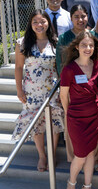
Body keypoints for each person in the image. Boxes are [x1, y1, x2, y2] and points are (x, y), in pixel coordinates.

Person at [12, 9, 64, 172]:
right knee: (35, 123)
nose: (39, 25)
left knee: (53, 121)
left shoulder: (56, 41)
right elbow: (19, 67)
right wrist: (19, 90)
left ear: (48, 23)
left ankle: (52, 153)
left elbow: (60, 67)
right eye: (35, 21)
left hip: (52, 89)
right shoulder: (22, 42)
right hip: (32, 90)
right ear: (30, 24)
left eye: (42, 21)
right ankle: (42, 155)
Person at [55, 5, 98, 171]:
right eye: (76, 16)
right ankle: (75, 157)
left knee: (93, 131)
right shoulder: (64, 37)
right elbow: (60, 63)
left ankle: (94, 159)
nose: (80, 19)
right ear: (71, 18)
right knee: (72, 128)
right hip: (71, 87)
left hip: (90, 91)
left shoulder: (94, 35)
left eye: (83, 16)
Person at [60, 31, 98, 189]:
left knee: (91, 151)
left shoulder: (97, 65)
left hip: (95, 116)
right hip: (76, 119)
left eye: (91, 45)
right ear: (77, 47)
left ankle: (87, 187)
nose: (88, 48)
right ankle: (71, 185)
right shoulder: (69, 69)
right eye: (84, 45)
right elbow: (63, 96)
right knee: (80, 155)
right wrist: (69, 113)